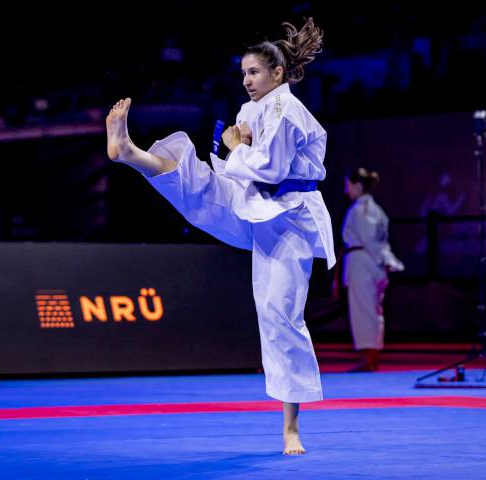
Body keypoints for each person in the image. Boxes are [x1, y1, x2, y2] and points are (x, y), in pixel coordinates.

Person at [105, 18, 335, 455]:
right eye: (243, 73)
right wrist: (228, 152)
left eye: (254, 72)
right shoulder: (250, 110)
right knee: (197, 184)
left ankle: (291, 429)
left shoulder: (288, 111)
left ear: (278, 74)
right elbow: (239, 168)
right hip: (253, 200)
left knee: (279, 314)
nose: (246, 80)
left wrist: (234, 146)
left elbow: (271, 169)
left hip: (289, 218)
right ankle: (131, 154)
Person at [335, 168, 404, 372]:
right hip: (372, 262)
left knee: (364, 310)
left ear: (357, 186)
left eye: (348, 186)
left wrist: (384, 260)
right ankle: (371, 357)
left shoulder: (360, 210)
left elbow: (370, 240)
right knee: (373, 310)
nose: (346, 191)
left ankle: (369, 358)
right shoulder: (376, 210)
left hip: (364, 262)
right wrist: (386, 261)